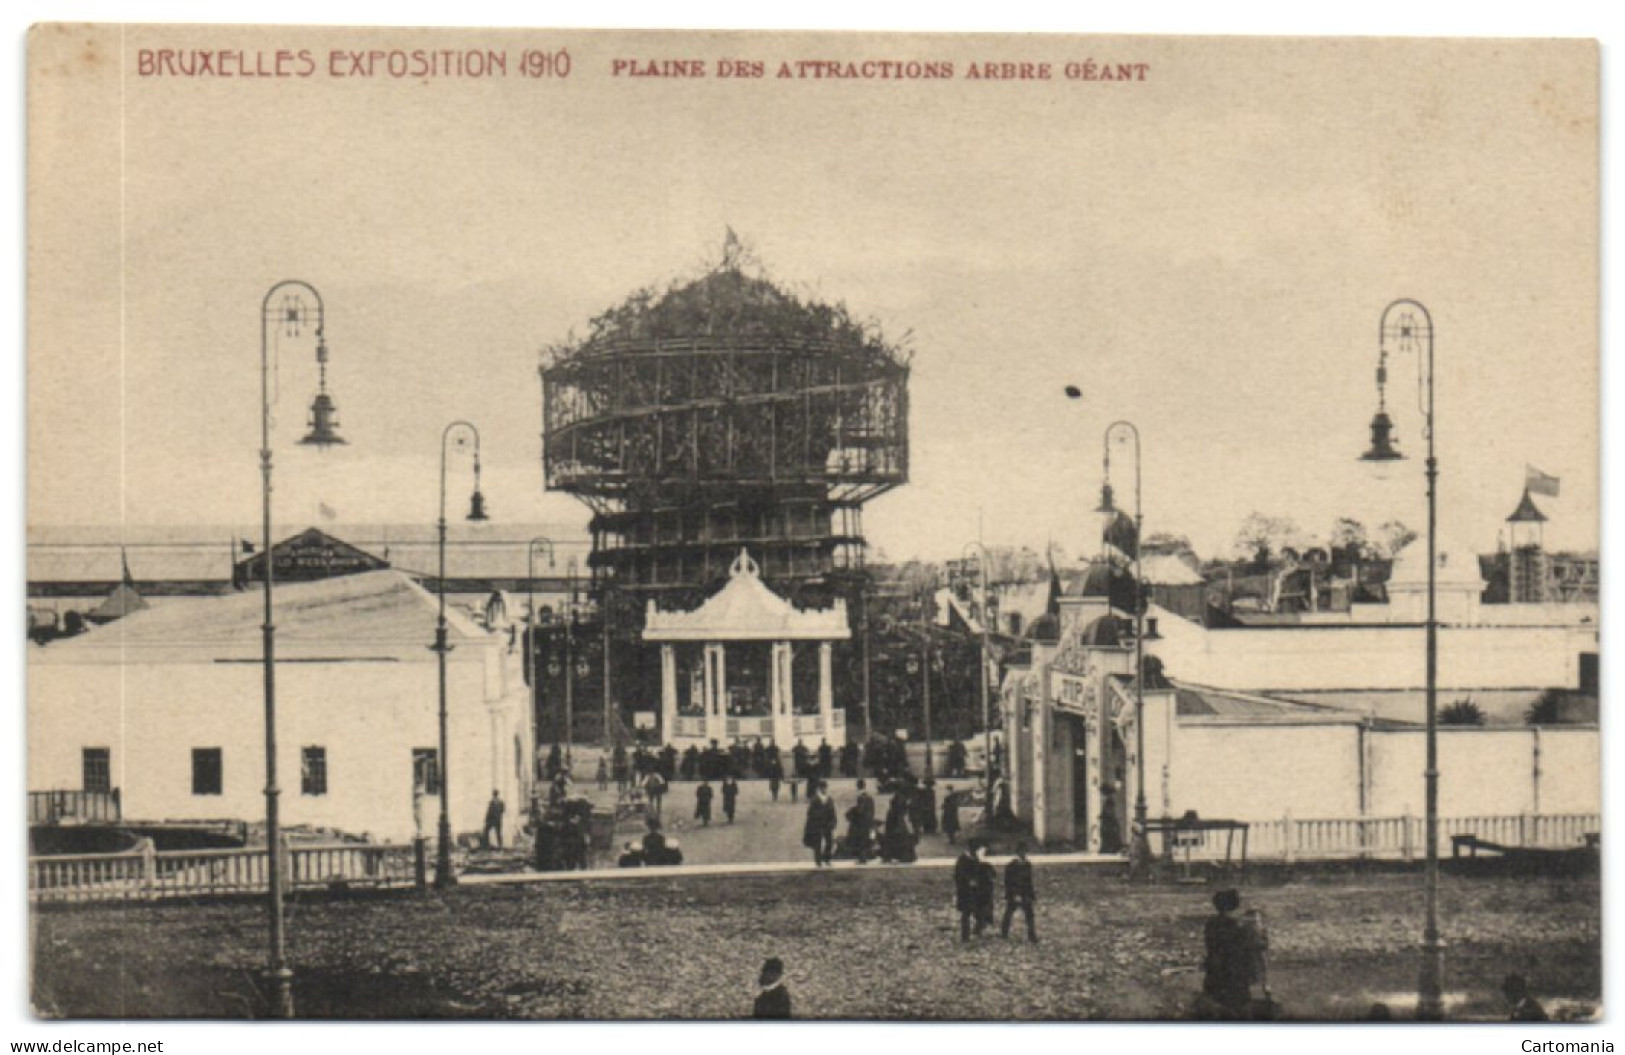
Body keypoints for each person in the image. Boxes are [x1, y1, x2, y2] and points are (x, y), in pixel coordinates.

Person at [1199, 888, 1261, 1020]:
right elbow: (1254, 948)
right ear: (1235, 905)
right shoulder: (1240, 928)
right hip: (1236, 976)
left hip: (1215, 974)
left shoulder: (1211, 924)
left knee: (1217, 1007)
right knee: (1241, 1011)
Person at [1001, 841, 1037, 942]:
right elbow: (1008, 882)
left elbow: (1029, 881)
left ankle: (1032, 935)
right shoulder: (1011, 866)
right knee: (1009, 913)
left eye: (1025, 852)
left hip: (1025, 893)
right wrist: (1014, 894)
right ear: (1017, 852)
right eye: (1021, 851)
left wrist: (1031, 894)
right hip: (1014, 893)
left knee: (1029, 914)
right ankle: (1004, 932)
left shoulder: (1027, 865)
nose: (1023, 854)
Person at [954, 840, 988, 942]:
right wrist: (968, 881)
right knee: (966, 913)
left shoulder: (976, 859)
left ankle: (978, 929)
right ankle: (965, 935)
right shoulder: (963, 859)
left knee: (979, 911)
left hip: (976, 891)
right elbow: (958, 875)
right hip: (966, 891)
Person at [804, 780, 837, 867]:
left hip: (827, 824)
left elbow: (833, 812)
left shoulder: (829, 799)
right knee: (818, 843)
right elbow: (810, 813)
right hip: (818, 824)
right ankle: (818, 861)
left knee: (829, 842)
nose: (824, 789)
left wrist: (833, 822)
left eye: (825, 788)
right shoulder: (815, 800)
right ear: (819, 789)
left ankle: (827, 859)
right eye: (822, 788)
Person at [847, 780, 876, 864]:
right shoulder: (869, 797)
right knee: (866, 839)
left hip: (861, 822)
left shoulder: (861, 797)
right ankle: (865, 857)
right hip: (868, 821)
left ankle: (862, 858)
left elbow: (860, 810)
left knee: (861, 840)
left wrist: (852, 812)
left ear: (858, 786)